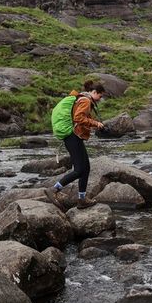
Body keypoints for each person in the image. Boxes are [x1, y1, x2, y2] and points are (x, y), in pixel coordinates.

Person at [46, 80, 105, 210]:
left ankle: (82, 199)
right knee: (79, 170)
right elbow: (78, 118)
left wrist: (92, 123)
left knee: (86, 168)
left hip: (74, 137)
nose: (100, 99)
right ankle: (54, 189)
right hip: (72, 137)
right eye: (100, 96)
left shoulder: (81, 99)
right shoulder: (85, 100)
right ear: (94, 92)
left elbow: (80, 119)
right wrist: (96, 123)